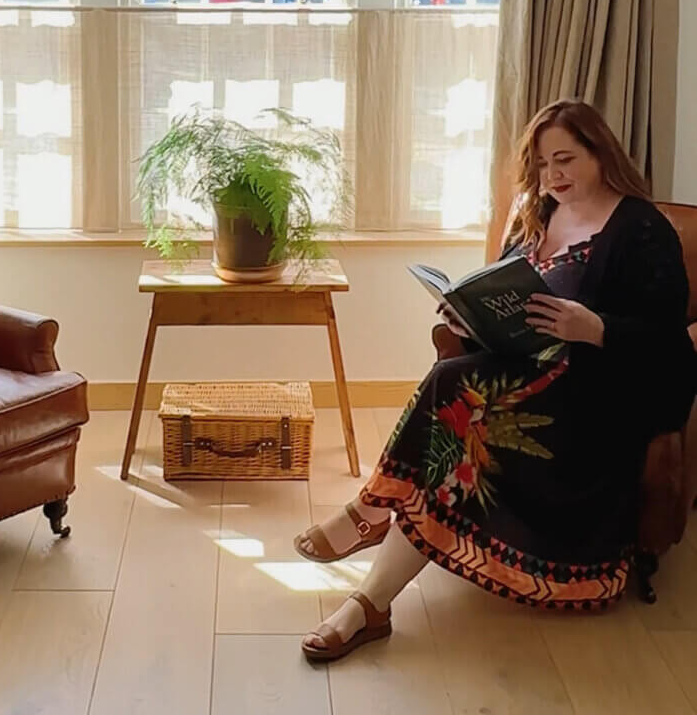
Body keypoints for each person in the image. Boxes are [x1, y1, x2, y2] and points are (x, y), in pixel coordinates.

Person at [296, 99, 697, 662]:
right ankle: (370, 598)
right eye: (542, 164)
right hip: (523, 373)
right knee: (454, 397)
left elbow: (668, 345)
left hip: (593, 400)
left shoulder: (641, 228)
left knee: (455, 397)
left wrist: (598, 328)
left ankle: (371, 527)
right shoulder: (540, 212)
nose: (553, 176)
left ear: (600, 152)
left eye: (565, 159)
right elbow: (509, 291)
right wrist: (473, 318)